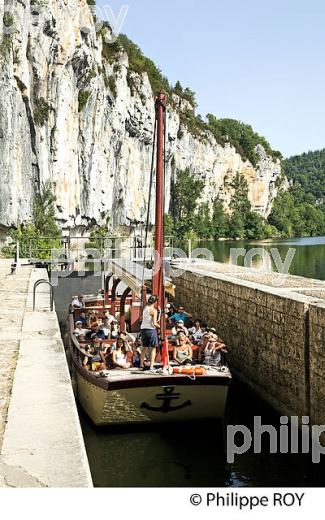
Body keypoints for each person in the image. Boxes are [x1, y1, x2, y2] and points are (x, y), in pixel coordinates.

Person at [140, 295, 160, 371]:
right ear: (155, 302)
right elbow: (154, 323)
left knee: (144, 348)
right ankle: (151, 366)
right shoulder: (153, 310)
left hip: (143, 329)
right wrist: (160, 326)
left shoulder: (145, 308)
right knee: (153, 348)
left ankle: (141, 364)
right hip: (150, 330)